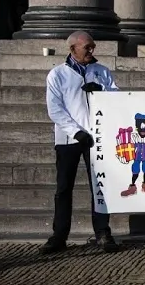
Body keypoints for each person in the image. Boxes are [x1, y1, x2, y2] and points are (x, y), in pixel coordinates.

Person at [40, 31, 120, 254]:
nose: (91, 50)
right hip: (68, 139)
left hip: (97, 138)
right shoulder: (57, 75)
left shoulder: (101, 72)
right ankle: (59, 235)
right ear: (73, 48)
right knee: (64, 188)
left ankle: (102, 231)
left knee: (100, 186)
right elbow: (55, 109)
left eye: (93, 46)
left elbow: (117, 98)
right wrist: (76, 132)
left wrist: (101, 93)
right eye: (87, 47)